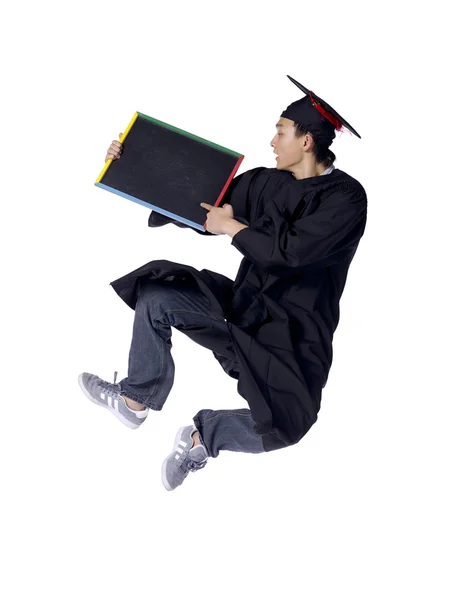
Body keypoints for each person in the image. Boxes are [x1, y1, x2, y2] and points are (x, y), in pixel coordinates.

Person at [78, 75, 368, 491]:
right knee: (157, 293)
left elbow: (292, 254)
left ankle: (203, 437)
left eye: (281, 131)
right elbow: (200, 198)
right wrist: (130, 161)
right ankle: (134, 399)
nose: (272, 141)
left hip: (294, 332)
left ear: (306, 141)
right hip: (241, 310)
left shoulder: (346, 198)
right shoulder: (266, 182)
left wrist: (233, 227)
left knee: (288, 427)